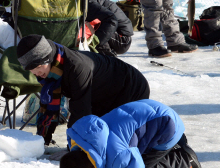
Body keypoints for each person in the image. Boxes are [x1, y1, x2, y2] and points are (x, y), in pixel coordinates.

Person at [16, 34, 150, 145]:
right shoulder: (53, 70)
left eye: (38, 67)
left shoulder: (76, 67)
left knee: (117, 143)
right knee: (100, 139)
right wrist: (40, 142)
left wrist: (72, 149)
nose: (36, 73)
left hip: (131, 88)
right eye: (32, 70)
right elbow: (50, 105)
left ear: (47, 58)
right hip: (103, 93)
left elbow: (81, 112)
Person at [60, 99, 201, 168]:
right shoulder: (78, 137)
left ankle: (184, 160)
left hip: (168, 126)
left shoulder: (117, 156)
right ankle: (177, 144)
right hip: (152, 109)